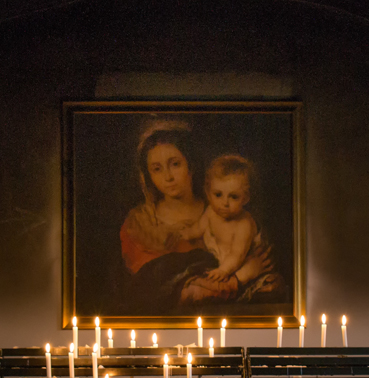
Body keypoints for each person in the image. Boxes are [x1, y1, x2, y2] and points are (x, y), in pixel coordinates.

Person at [117, 119, 283, 312]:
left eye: (175, 164)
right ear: (148, 175)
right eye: (157, 169)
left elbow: (261, 269)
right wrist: (239, 279)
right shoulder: (140, 224)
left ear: (191, 165)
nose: (168, 177)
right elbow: (149, 294)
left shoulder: (226, 212)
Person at [178, 154, 259, 286]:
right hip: (218, 264)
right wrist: (186, 234)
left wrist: (223, 271)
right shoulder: (211, 212)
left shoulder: (244, 224)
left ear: (245, 198)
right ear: (208, 193)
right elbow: (199, 228)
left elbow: (237, 255)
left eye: (233, 197)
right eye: (218, 195)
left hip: (239, 268)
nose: (224, 203)